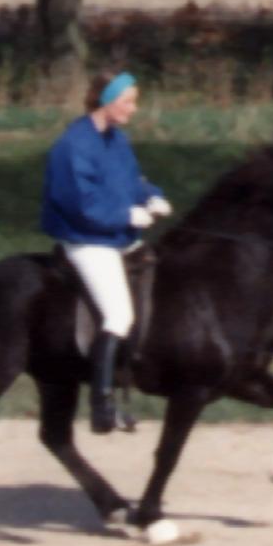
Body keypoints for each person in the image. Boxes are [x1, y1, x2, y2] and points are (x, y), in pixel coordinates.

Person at [40, 70, 173, 434]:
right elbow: (80, 204)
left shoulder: (117, 140)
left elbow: (132, 182)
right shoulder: (73, 146)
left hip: (118, 234)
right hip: (88, 240)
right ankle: (101, 405)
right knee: (118, 315)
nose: (134, 108)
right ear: (107, 101)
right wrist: (125, 214)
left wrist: (151, 196)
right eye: (128, 101)